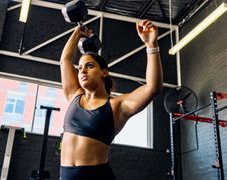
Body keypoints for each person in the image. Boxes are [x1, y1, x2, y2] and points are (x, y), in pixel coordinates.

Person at [59, 19, 163, 180]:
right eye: (80, 68)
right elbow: (65, 61)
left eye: (90, 66)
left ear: (104, 72)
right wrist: (76, 33)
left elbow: (152, 88)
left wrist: (151, 45)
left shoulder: (116, 106)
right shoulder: (74, 95)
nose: (82, 71)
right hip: (65, 175)